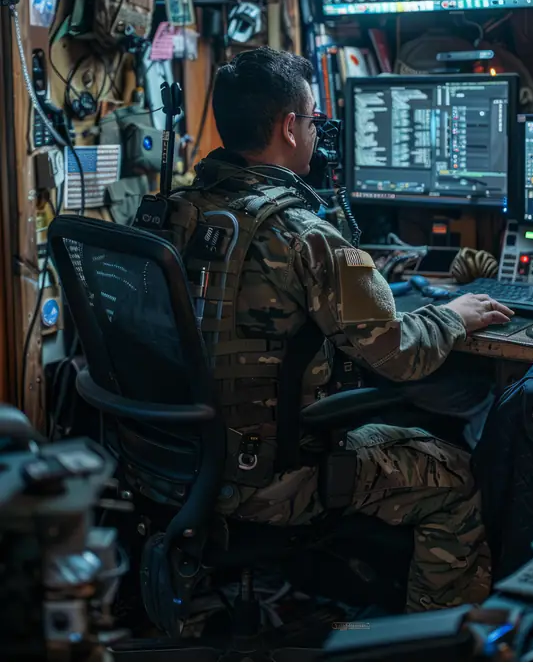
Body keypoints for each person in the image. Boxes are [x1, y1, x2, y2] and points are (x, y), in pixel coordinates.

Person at [177, 46, 514, 613]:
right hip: (272, 483)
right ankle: (431, 654)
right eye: (313, 120)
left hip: (174, 463)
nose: (315, 133)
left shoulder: (177, 211)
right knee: (458, 479)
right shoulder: (306, 235)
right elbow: (399, 355)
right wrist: (452, 315)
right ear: (290, 126)